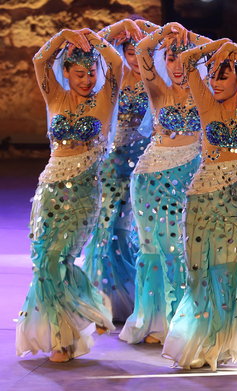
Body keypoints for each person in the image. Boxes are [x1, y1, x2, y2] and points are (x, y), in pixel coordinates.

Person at [162, 38, 237, 370]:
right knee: (201, 275)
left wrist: (234, 52)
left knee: (233, 273)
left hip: (235, 204)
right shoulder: (205, 104)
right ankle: (204, 343)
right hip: (200, 200)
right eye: (212, 76)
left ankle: (231, 341)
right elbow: (186, 59)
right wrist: (220, 47)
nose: (214, 81)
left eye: (223, 76)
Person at [16, 28, 122, 362]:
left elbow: (116, 63)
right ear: (66, 73)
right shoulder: (55, 98)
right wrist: (64, 35)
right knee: (45, 262)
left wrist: (95, 37)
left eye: (91, 73)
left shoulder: (104, 100)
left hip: (83, 194)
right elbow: (39, 59)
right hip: (50, 190)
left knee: (62, 258)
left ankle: (80, 317)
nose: (87, 79)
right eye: (79, 73)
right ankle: (65, 331)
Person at [119, 22, 210, 345]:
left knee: (180, 250)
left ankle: (179, 320)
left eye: (185, 59)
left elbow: (217, 50)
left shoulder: (207, 93)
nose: (177, 66)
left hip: (188, 177)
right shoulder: (157, 90)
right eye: (171, 58)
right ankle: (155, 321)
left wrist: (191, 37)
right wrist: (167, 31)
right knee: (153, 251)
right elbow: (143, 49)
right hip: (149, 180)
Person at [82, 17, 157, 322]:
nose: (137, 60)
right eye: (130, 54)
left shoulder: (158, 81)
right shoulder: (111, 78)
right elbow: (93, 47)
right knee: (106, 227)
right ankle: (103, 301)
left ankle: (138, 300)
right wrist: (123, 25)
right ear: (122, 54)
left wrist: (148, 29)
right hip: (113, 163)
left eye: (143, 54)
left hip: (148, 164)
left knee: (136, 230)